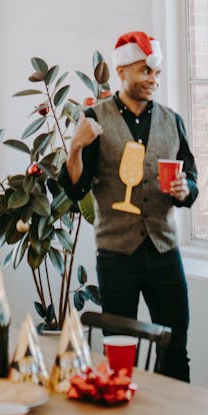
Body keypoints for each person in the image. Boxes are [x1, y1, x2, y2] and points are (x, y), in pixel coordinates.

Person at [59, 30, 198, 382]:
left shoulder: (172, 120)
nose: (153, 80)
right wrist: (75, 147)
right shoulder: (95, 118)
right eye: (144, 71)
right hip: (117, 255)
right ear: (122, 72)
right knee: (119, 349)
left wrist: (186, 188)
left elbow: (191, 178)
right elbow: (74, 189)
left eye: (156, 73)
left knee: (175, 348)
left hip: (164, 251)